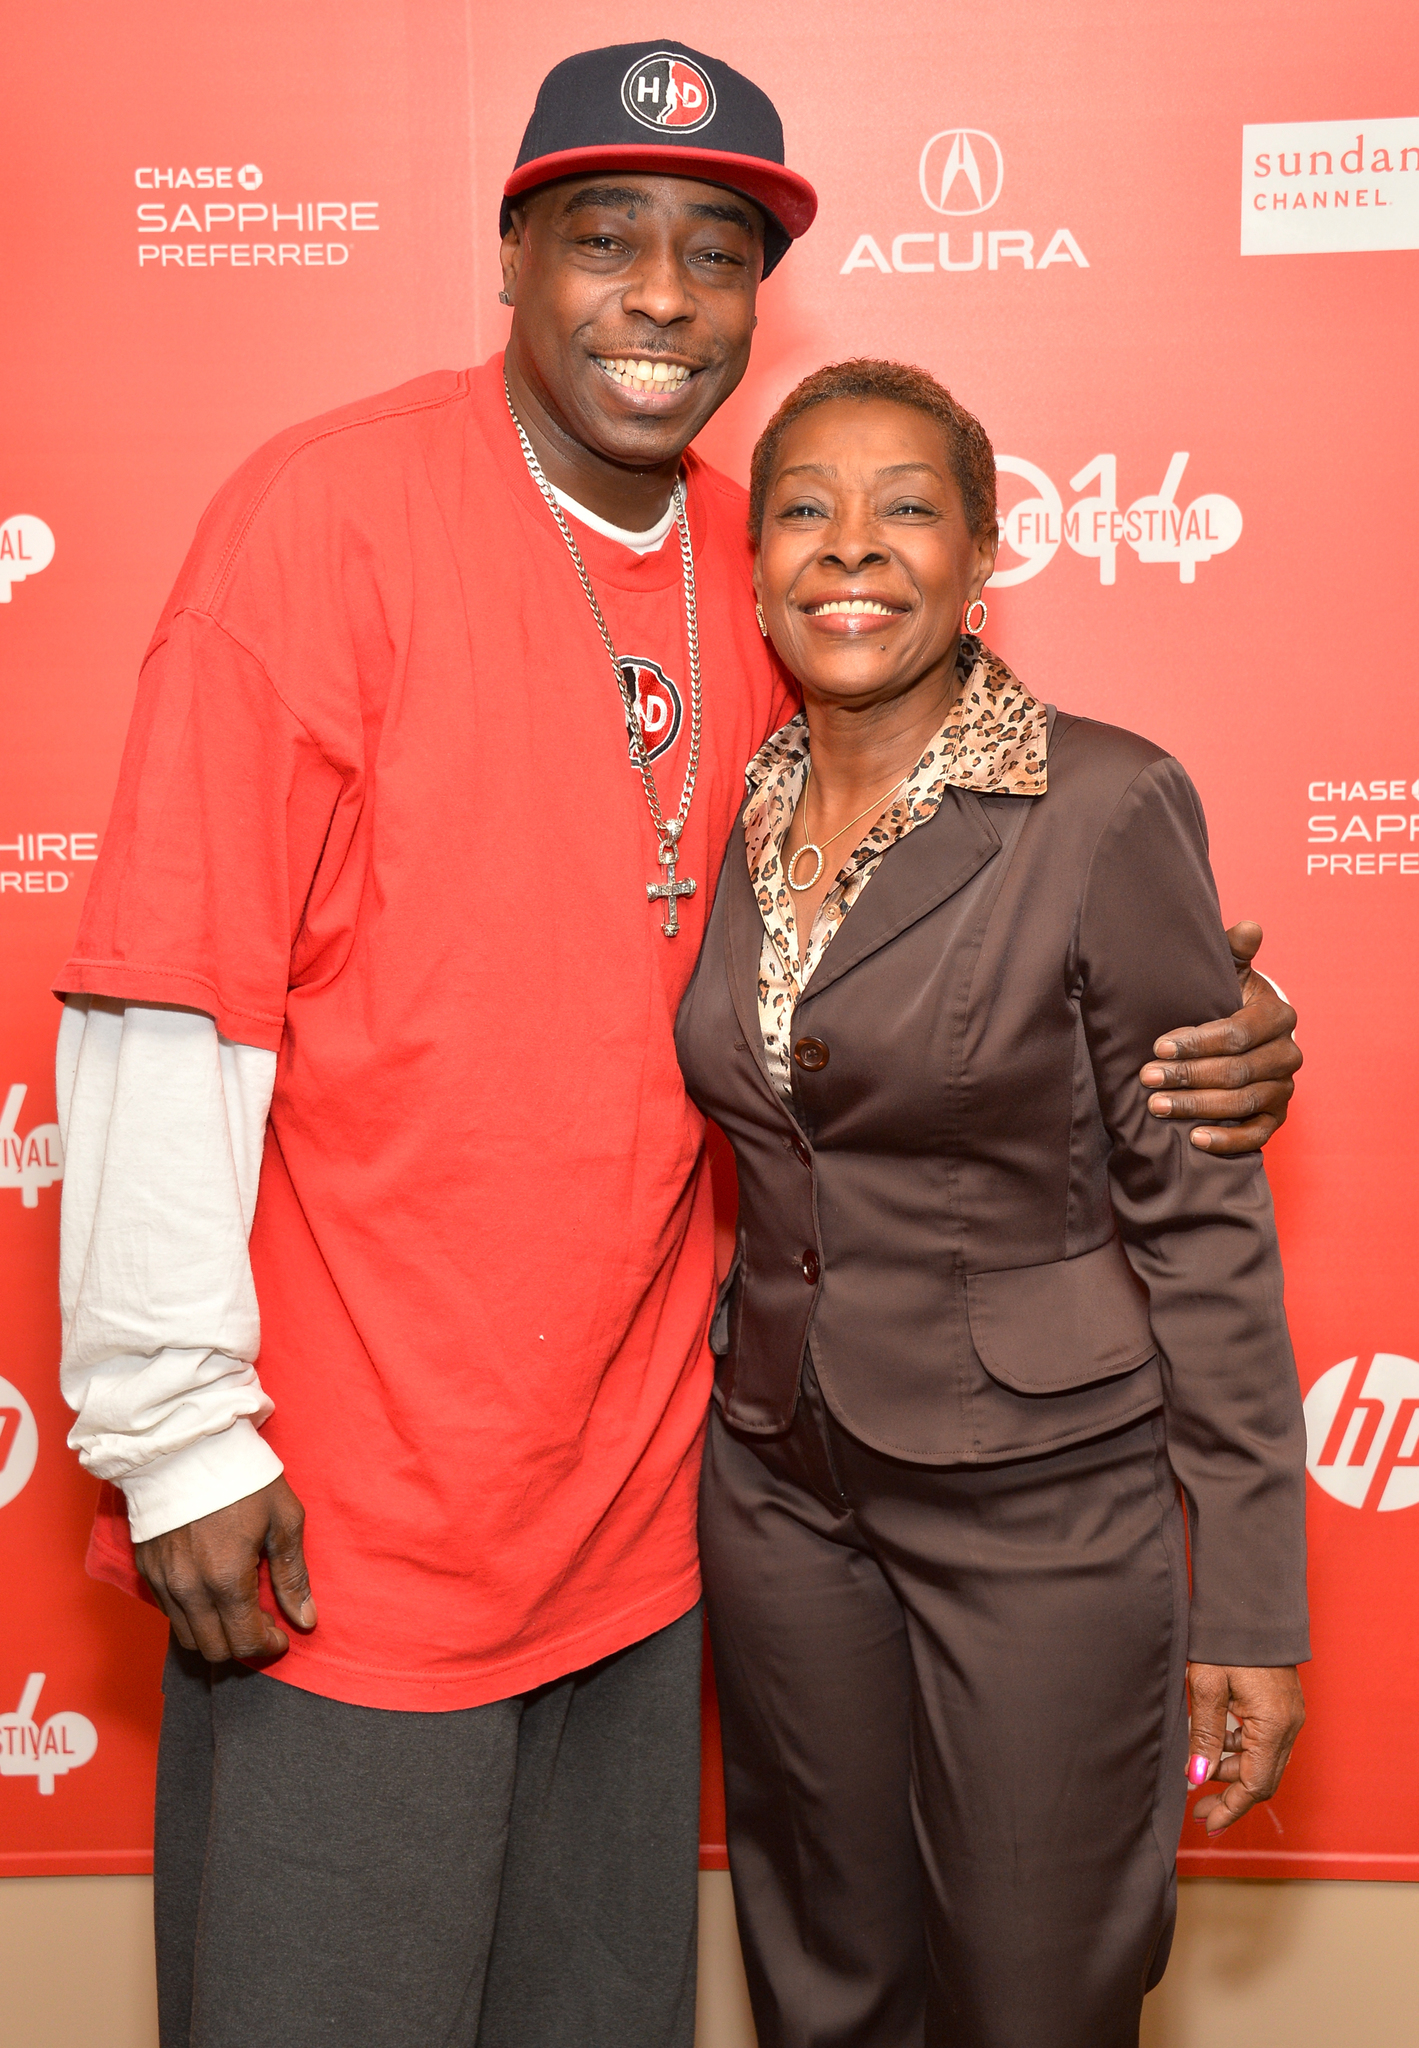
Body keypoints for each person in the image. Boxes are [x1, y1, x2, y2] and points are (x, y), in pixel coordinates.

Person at [53, 44, 1300, 2048]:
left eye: (713, 255)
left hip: (651, 1527)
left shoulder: (771, 567)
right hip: (350, 1530)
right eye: (602, 239)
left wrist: (1233, 1018)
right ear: (510, 257)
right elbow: (168, 992)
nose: (658, 296)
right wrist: (175, 1424)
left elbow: (1014, 846)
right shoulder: (320, 519)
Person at [676, 359, 1309, 2048]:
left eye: (906, 511)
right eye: (802, 509)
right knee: (826, 1985)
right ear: (752, 571)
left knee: (1042, 1996)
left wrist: (1248, 1595)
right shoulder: (721, 812)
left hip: (1042, 1505)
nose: (850, 551)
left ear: (983, 554)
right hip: (781, 1489)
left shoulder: (1101, 803)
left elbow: (1201, 1216)